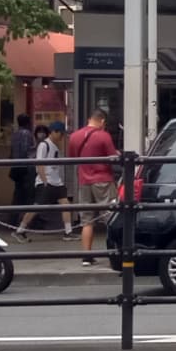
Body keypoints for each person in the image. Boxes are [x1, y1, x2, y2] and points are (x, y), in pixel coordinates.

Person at [67, 110, 119, 264]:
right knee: (110, 217)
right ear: (102, 121)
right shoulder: (104, 136)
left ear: (89, 119)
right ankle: (114, 253)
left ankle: (86, 256)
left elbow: (72, 158)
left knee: (87, 220)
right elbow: (113, 158)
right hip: (103, 179)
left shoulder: (74, 136)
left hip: (84, 180)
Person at [28, 124, 69, 233]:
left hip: (56, 181)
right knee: (36, 206)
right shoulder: (44, 145)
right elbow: (39, 164)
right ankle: (20, 229)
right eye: (61, 134)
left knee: (66, 204)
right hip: (46, 181)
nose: (62, 137)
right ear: (54, 132)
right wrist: (44, 181)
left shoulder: (55, 145)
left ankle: (68, 231)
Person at [7, 113, 36, 233]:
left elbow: (11, 152)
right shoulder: (27, 134)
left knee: (17, 195)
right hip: (26, 168)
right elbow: (26, 151)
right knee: (28, 195)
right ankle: (25, 222)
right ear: (28, 123)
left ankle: (12, 220)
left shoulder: (14, 134)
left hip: (16, 167)